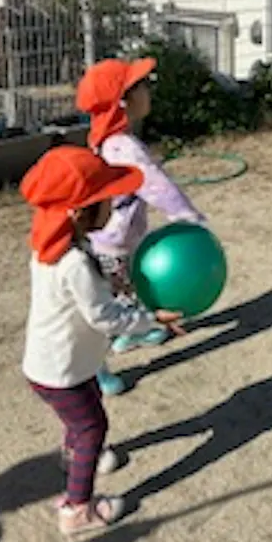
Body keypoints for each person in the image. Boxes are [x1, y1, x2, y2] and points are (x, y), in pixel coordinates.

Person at [20, 145, 184, 535]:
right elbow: (105, 318)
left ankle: (74, 457)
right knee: (93, 427)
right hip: (62, 370)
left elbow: (93, 290)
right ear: (79, 212)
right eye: (105, 200)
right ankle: (77, 509)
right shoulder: (73, 262)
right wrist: (150, 319)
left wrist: (122, 283)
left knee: (82, 416)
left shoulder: (52, 245)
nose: (114, 205)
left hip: (58, 364)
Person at [76, 57, 206, 396]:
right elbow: (156, 185)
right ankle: (94, 370)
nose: (149, 91)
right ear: (124, 101)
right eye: (143, 86)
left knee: (127, 290)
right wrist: (188, 217)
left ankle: (132, 334)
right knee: (104, 312)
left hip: (117, 238)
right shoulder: (123, 146)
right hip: (112, 243)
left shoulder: (107, 137)